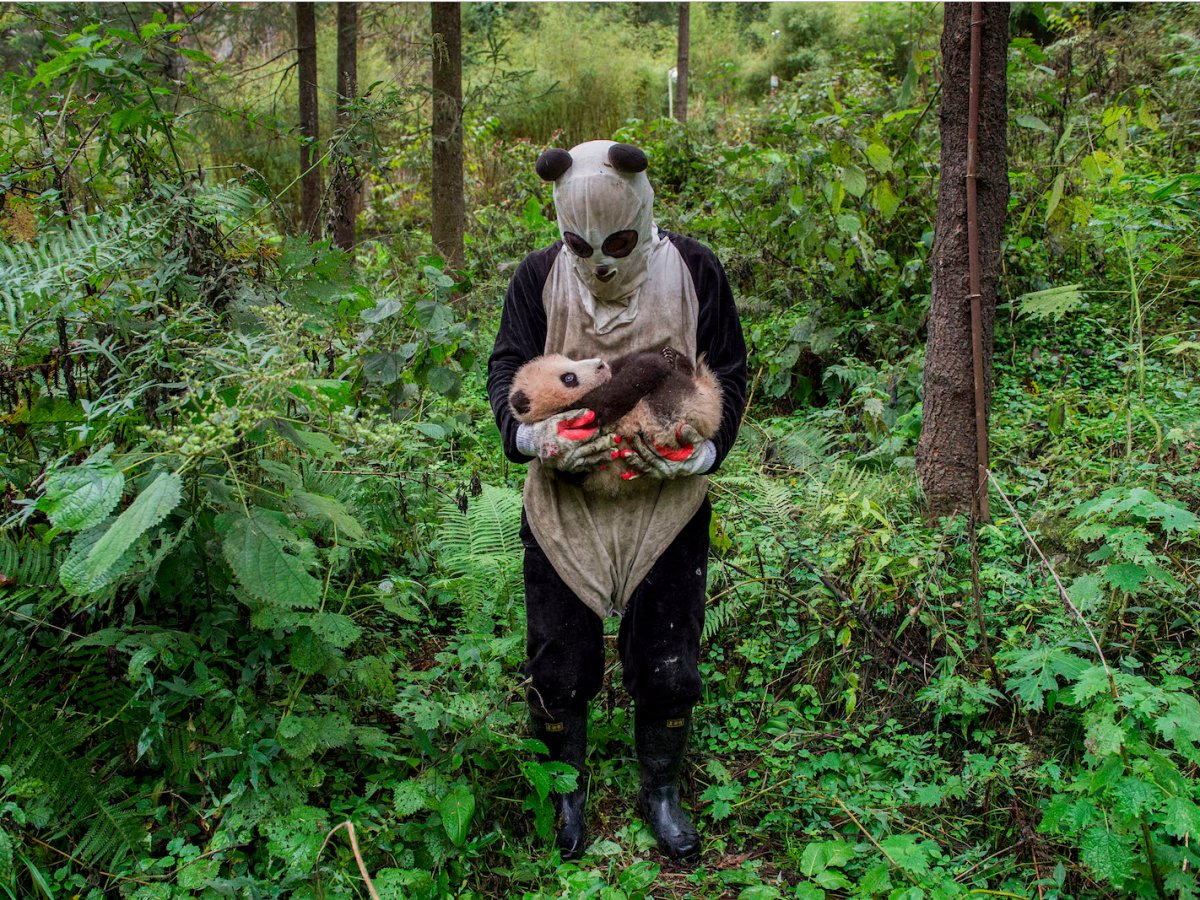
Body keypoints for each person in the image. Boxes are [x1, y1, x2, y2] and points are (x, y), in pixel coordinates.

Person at [487, 140, 747, 861]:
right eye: (580, 244)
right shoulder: (538, 277)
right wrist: (533, 440)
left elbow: (729, 368)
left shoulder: (695, 270)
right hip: (564, 506)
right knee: (558, 662)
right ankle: (566, 791)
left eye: (618, 243)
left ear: (643, 211)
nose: (599, 263)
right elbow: (507, 369)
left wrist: (704, 453)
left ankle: (659, 789)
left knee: (669, 663)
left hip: (666, 509)